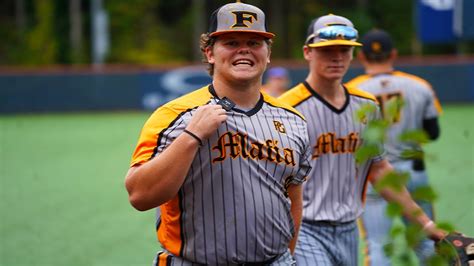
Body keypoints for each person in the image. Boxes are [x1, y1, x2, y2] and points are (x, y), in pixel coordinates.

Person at [124, 2, 312, 265]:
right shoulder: (175, 115)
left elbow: (294, 199)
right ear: (210, 53)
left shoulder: (293, 120)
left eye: (255, 42)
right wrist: (192, 136)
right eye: (232, 42)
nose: (244, 49)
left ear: (268, 54)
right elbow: (140, 195)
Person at [278, 14, 446, 266]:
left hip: (348, 230)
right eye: (327, 50)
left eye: (344, 50)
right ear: (307, 52)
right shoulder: (286, 109)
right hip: (304, 228)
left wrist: (426, 223)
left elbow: (378, 170)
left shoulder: (366, 105)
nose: (336, 57)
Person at [346, 29, 442, 266]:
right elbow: (433, 133)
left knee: (378, 244)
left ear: (361, 57)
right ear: (394, 54)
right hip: (413, 171)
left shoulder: (350, 91)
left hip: (374, 175)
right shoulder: (419, 85)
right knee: (426, 239)